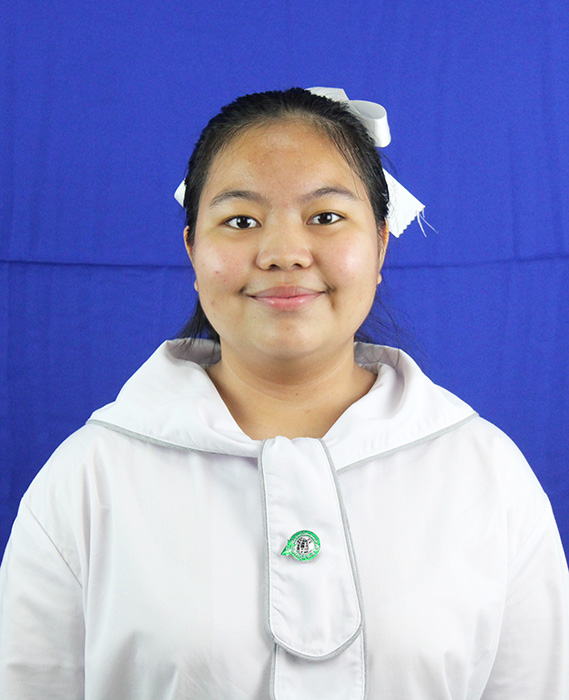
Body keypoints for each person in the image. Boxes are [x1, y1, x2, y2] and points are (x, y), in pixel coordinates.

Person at [0, 88, 567, 700]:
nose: (283, 254)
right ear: (192, 249)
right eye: (241, 221)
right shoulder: (88, 477)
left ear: (380, 243)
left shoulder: (485, 473)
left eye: (325, 217)